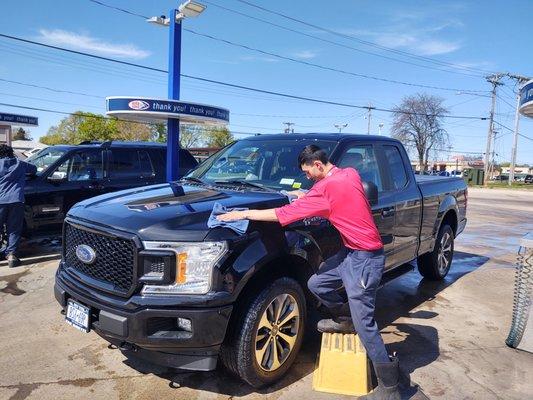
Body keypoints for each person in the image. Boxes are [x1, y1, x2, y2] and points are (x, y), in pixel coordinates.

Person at [217, 145, 400, 400]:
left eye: (308, 173)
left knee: (366, 326)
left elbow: (282, 214)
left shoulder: (326, 189)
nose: (307, 177)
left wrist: (243, 213)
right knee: (317, 283)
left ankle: (390, 387)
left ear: (317, 165)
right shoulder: (348, 174)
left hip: (365, 260)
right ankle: (344, 317)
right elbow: (328, 193)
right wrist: (308, 194)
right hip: (350, 253)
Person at [0, 144, 37, 268]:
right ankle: (12, 256)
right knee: (14, 229)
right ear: (11, 152)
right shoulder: (20, 164)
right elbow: (34, 169)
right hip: (17, 200)